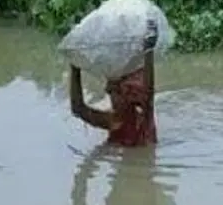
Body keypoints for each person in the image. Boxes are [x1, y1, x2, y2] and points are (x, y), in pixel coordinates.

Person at [68, 19, 158, 147]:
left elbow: (148, 93)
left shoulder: (143, 120)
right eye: (113, 91)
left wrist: (149, 52)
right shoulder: (113, 120)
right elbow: (78, 108)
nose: (108, 92)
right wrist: (75, 66)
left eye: (117, 91)